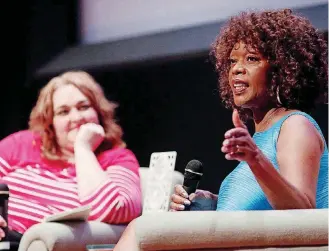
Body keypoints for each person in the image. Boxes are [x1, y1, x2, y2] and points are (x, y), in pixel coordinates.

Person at [113, 8, 328, 250]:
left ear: (282, 69)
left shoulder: (295, 126)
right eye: (232, 61)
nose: (236, 69)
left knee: (141, 231)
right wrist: (211, 202)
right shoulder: (260, 137)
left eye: (252, 59)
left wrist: (255, 159)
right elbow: (258, 209)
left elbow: (304, 215)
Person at [0, 70, 142, 247]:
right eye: (63, 112)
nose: (76, 118)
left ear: (99, 112)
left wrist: (83, 148)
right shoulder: (22, 143)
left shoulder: (117, 157)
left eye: (83, 107)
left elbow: (116, 210)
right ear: (50, 122)